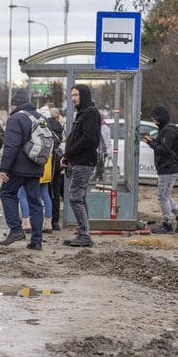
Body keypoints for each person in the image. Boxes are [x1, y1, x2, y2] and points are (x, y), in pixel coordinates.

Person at [0, 89, 45, 250]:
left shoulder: (15, 118)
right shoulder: (41, 117)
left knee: (6, 193)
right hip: (37, 166)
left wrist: (4, 168)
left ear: (14, 105)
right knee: (35, 202)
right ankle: (37, 241)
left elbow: (11, 145)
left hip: (18, 167)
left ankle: (16, 229)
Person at [61, 84, 101, 247]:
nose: (73, 98)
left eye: (76, 95)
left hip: (83, 162)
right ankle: (84, 233)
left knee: (75, 198)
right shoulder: (83, 113)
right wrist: (67, 156)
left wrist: (71, 151)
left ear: (84, 95)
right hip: (78, 161)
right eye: (72, 95)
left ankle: (84, 235)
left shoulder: (90, 113)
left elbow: (89, 138)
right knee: (79, 198)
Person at [143, 106, 178, 233]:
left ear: (160, 117)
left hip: (169, 168)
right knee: (165, 195)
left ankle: (167, 225)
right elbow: (164, 146)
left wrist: (150, 143)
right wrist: (153, 141)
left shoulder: (168, 130)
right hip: (168, 168)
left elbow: (164, 149)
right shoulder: (165, 129)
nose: (153, 121)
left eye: (154, 118)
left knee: (162, 197)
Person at [43, 106, 65, 230]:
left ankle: (47, 219)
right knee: (55, 193)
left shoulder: (45, 125)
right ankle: (54, 221)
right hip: (57, 164)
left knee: (44, 192)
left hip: (46, 162)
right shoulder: (59, 126)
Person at [94, 116, 112, 180]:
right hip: (96, 149)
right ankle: (98, 175)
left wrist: (109, 153)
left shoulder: (105, 128)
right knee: (98, 163)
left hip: (103, 149)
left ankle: (99, 176)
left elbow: (108, 141)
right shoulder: (95, 127)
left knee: (101, 163)